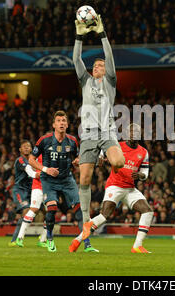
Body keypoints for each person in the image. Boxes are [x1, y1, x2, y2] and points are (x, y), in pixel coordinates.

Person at [72, 14, 125, 236]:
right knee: (84, 179)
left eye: (100, 65)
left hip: (107, 132)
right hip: (89, 135)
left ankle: (105, 159)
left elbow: (109, 57)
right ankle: (86, 222)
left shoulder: (110, 81)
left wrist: (102, 34)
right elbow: (76, 60)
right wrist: (79, 37)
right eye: (95, 65)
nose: (97, 66)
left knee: (119, 162)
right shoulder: (86, 81)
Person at [29, 110, 97, 253]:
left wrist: (77, 161)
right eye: (59, 121)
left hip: (67, 180)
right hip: (49, 180)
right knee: (52, 208)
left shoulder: (72, 141)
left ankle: (87, 244)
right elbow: (31, 159)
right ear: (54, 124)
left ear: (67, 125)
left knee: (80, 210)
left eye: (64, 121)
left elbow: (77, 157)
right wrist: (46, 169)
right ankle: (49, 239)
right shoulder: (45, 140)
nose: (61, 123)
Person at [79, 123, 154, 253]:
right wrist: (101, 156)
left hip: (130, 188)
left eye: (136, 132)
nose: (133, 134)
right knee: (104, 216)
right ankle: (78, 239)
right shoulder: (118, 145)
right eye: (130, 132)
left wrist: (140, 175)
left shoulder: (143, 152)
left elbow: (145, 173)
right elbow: (103, 148)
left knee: (148, 211)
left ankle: (137, 246)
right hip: (115, 186)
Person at [8, 140, 40, 247]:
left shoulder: (34, 160)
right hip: (20, 190)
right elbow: (29, 171)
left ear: (31, 149)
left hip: (32, 190)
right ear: (20, 150)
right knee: (26, 212)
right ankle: (16, 239)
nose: (26, 148)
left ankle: (44, 238)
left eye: (28, 146)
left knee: (44, 210)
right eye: (24, 146)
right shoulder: (20, 160)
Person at [15, 153, 48, 248]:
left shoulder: (54, 154)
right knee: (33, 209)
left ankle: (43, 239)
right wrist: (34, 174)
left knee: (50, 212)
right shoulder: (38, 155)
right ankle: (20, 237)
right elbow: (29, 167)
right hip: (38, 186)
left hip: (49, 187)